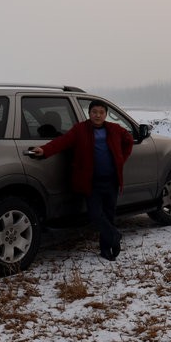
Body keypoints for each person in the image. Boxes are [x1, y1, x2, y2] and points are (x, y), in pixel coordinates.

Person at [30, 100, 134, 261]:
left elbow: (128, 141)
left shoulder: (114, 129)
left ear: (105, 114)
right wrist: (44, 150)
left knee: (109, 214)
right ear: (89, 113)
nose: (97, 115)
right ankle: (114, 235)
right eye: (94, 112)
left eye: (101, 112)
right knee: (95, 215)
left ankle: (106, 249)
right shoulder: (80, 130)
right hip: (91, 181)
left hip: (111, 180)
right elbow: (62, 142)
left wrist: (121, 159)